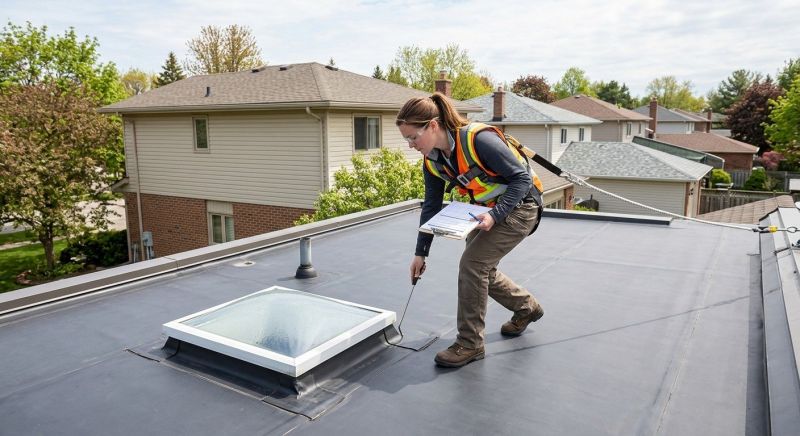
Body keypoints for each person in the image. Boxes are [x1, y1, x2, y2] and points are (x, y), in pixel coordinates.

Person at [396, 92, 545, 368]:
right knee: (481, 269)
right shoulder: (432, 161)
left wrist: (496, 215)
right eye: (406, 140)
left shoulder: (479, 140)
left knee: (473, 265)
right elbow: (430, 207)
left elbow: (521, 180)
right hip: (489, 210)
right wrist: (421, 253)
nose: (410, 145)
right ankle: (527, 308)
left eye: (413, 138)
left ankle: (470, 343)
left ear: (432, 125)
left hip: (522, 206)